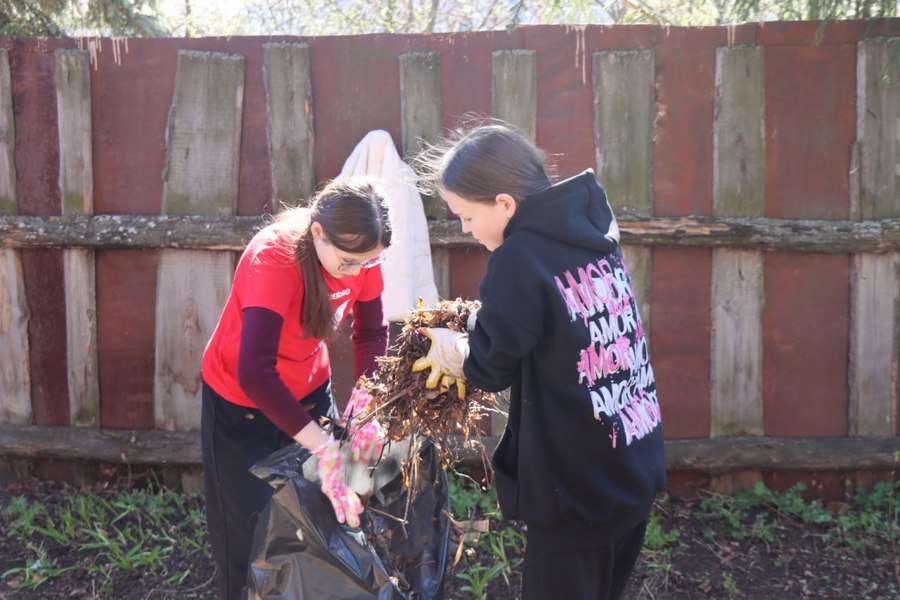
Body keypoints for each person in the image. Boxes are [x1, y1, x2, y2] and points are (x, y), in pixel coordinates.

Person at [412, 124, 666, 600]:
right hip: (629, 459)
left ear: (504, 204)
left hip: (577, 487)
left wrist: (451, 348)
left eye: (466, 216)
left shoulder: (519, 258)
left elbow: (489, 365)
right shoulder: (590, 230)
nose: (464, 228)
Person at [200, 176, 392, 600]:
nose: (359, 272)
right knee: (246, 540)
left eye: (368, 262)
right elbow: (255, 372)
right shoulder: (275, 256)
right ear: (319, 233)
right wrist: (324, 447)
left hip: (310, 395)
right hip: (240, 409)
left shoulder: (361, 252)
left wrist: (365, 405)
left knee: (315, 528)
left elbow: (373, 332)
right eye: (348, 263)